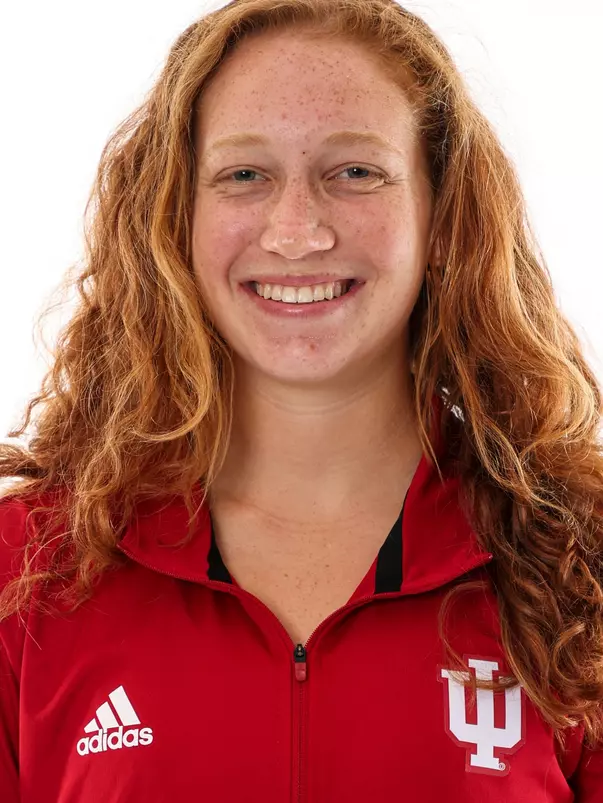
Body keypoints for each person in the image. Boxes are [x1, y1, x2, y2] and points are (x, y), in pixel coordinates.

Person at [0, 0, 602, 799]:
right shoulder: (28, 571)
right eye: (244, 175)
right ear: (174, 215)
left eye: (355, 171)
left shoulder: (579, 562)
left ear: (440, 212)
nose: (295, 230)